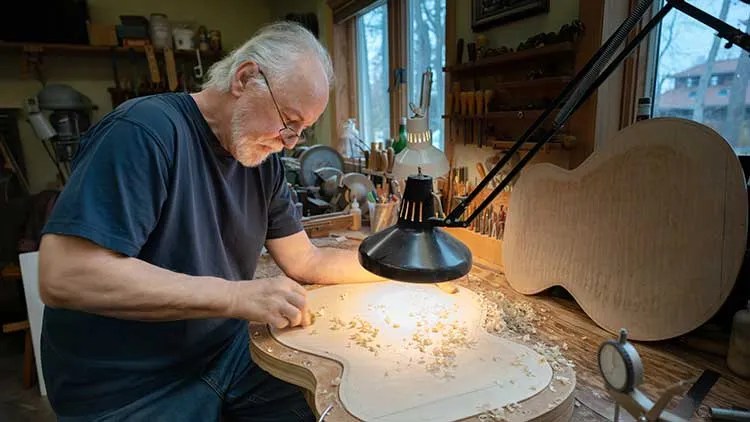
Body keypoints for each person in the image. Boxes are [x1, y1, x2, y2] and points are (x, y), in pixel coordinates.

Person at [38, 21, 380, 421]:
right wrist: (237, 296)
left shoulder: (261, 160)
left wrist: (398, 264)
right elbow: (64, 274)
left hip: (224, 356)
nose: (290, 141)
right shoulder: (144, 133)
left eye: (301, 131)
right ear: (245, 78)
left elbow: (307, 261)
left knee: (336, 399)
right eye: (288, 120)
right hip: (128, 389)